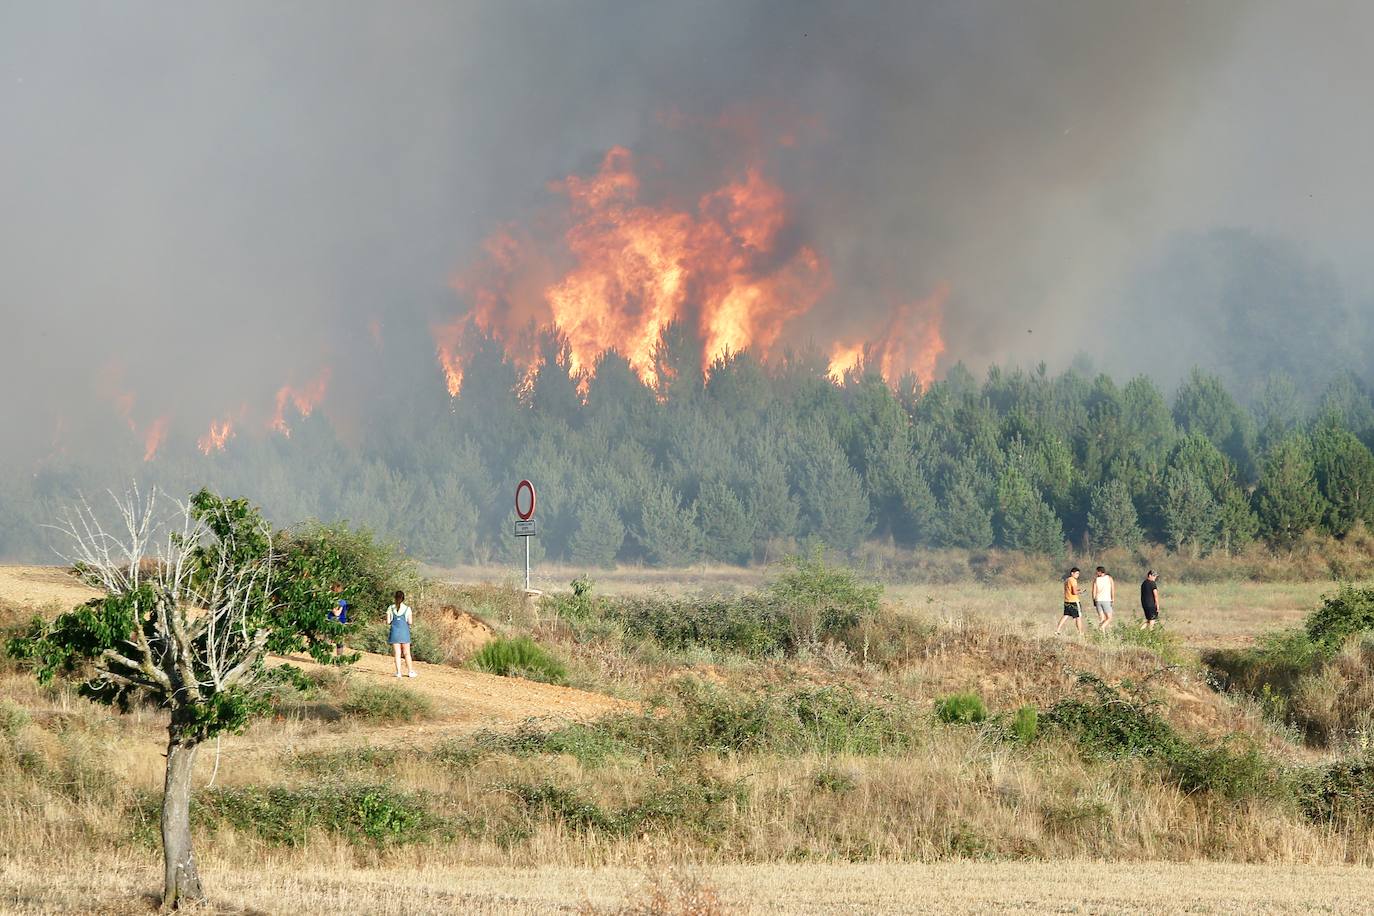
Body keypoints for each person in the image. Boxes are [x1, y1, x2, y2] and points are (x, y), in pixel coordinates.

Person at [387, 590, 417, 678]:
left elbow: (388, 621)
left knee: (397, 653)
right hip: (404, 633)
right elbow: (410, 622)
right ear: (403, 598)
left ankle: (398, 672)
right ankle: (410, 671)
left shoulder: (390, 608)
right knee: (407, 653)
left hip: (394, 633)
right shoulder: (407, 609)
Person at [1056, 567, 1083, 635]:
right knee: (1078, 617)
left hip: (1067, 600)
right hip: (1074, 601)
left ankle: (1057, 630)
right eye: (1076, 573)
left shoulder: (1067, 580)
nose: (1078, 575)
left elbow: (1070, 590)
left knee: (1066, 615)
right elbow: (1074, 592)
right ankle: (1080, 632)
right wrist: (1080, 592)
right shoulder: (1073, 580)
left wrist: (1077, 590)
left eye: (1078, 573)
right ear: (1072, 573)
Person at [327, 583, 348, 659]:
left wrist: (332, 607)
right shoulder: (342, 601)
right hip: (334, 622)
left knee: (337, 641)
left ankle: (338, 658)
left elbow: (337, 613)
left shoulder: (341, 602)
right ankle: (328, 658)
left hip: (337, 622)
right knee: (332, 640)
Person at [1091, 566, 1115, 631]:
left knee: (1102, 619)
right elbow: (1112, 589)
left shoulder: (1096, 580)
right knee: (1109, 618)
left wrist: (1094, 600)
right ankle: (1102, 627)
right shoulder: (1109, 578)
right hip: (1106, 600)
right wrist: (1112, 598)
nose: (1096, 573)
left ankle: (1102, 635)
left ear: (1100, 572)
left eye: (1097, 572)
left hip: (1098, 600)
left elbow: (1093, 591)